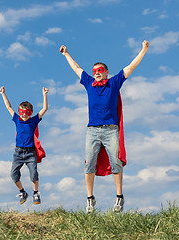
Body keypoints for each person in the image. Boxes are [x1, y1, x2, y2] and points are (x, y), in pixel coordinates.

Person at [59, 40, 150, 213]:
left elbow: (130, 67)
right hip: (92, 130)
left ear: (107, 72)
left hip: (111, 130)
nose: (97, 73)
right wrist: (66, 54)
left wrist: (143, 50)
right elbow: (77, 68)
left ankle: (119, 197)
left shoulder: (114, 83)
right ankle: (90, 199)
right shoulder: (88, 83)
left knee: (116, 162)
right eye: (95, 71)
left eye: (100, 70)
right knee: (89, 164)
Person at [0, 86, 49, 205]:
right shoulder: (17, 119)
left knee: (34, 173)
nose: (24, 114)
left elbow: (45, 108)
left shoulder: (33, 121)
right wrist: (3, 94)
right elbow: (8, 107)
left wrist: (44, 95)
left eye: (27, 112)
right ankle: (22, 192)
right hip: (18, 152)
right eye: (22, 112)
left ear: (30, 113)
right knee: (13, 174)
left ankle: (35, 193)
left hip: (30, 152)